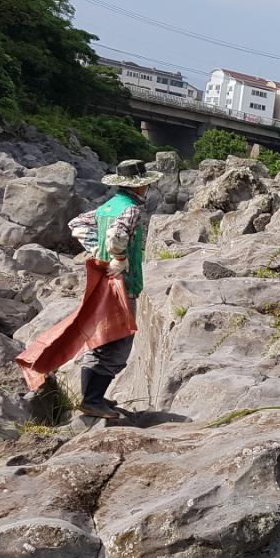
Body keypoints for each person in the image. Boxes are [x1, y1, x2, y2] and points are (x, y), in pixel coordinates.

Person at [67, 159, 161, 419]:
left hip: (104, 281)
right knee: (119, 342)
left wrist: (98, 252)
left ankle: (92, 398)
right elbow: (118, 235)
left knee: (101, 338)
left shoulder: (107, 206)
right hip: (122, 283)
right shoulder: (130, 209)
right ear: (141, 186)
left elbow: (76, 225)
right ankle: (93, 400)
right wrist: (118, 257)